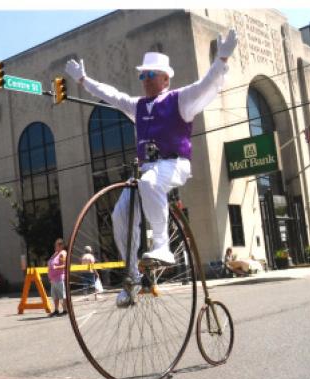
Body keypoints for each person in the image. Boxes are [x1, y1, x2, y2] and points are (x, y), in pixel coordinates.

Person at [65, 30, 238, 295]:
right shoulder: (138, 106)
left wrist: (222, 58)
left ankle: (162, 245)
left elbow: (207, 85)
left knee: (149, 182)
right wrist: (84, 80)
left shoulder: (179, 99)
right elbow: (111, 94)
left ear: (166, 78)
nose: (144, 80)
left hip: (175, 164)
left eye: (149, 75)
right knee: (120, 214)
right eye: (142, 75)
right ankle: (132, 277)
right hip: (148, 170)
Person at [47, 238, 68, 317]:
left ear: (61, 246)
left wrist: (56, 267)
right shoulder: (55, 253)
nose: (54, 246)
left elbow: (65, 265)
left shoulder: (62, 253)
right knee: (55, 296)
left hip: (59, 278)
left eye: (56, 244)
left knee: (62, 295)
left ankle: (65, 310)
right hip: (53, 279)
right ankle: (56, 310)